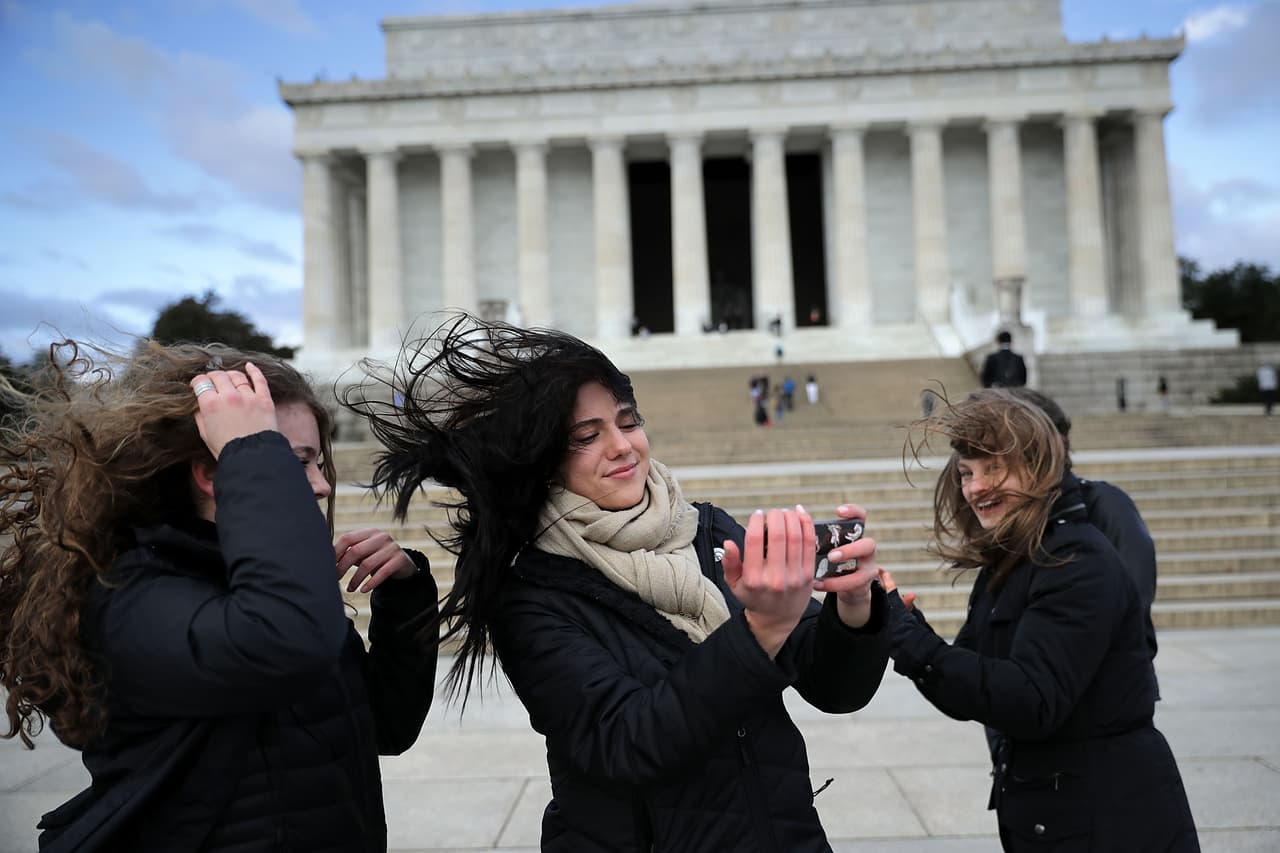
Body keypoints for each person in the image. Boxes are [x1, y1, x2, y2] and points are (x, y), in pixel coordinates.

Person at [343, 314, 891, 852]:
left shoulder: (704, 529)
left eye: (628, 422)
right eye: (588, 435)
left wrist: (854, 610)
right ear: (544, 460)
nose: (623, 446)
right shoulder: (531, 596)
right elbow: (628, 741)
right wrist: (761, 630)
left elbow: (836, 690)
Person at [0, 341, 438, 852]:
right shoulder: (132, 595)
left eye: (319, 461)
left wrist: (404, 594)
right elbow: (280, 646)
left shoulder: (272, 586)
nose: (321, 485)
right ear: (211, 473)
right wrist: (252, 451)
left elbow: (385, 726)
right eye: (293, 461)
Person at [880, 390, 1198, 851]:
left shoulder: (1073, 558)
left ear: (1039, 464)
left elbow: (1031, 701)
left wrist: (911, 640)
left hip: (1109, 819)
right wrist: (903, 625)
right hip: (1050, 812)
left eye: (994, 468)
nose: (975, 488)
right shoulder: (1013, 559)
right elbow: (970, 686)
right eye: (967, 472)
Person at [1008, 388, 1160, 695]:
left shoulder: (1106, 504)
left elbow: (1133, 598)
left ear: (1058, 442)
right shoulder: (1016, 516)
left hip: (1104, 698)